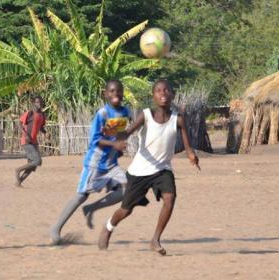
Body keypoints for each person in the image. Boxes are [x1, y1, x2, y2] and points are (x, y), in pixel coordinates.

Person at [98, 79, 200, 255]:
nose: (163, 94)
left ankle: (155, 239)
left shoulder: (178, 119)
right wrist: (114, 134)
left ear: (172, 95)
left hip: (163, 169)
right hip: (140, 170)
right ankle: (108, 227)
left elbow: (187, 143)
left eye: (167, 90)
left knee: (170, 198)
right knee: (125, 210)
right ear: (153, 96)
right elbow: (128, 132)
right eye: (159, 91)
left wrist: (191, 154)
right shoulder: (145, 115)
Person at [50, 80, 131, 245]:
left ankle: (92, 208)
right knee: (81, 195)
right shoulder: (102, 114)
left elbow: (120, 134)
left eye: (119, 91)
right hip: (95, 162)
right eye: (112, 91)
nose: (116, 94)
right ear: (106, 94)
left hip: (111, 164)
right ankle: (56, 229)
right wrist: (114, 144)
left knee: (126, 190)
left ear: (123, 93)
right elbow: (95, 139)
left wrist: (120, 147)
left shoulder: (125, 112)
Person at [15, 96, 46, 187]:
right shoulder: (29, 113)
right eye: (37, 102)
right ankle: (18, 170)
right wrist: (25, 135)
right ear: (33, 103)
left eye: (40, 102)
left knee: (33, 165)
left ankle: (19, 182)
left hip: (34, 142)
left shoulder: (42, 115)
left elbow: (41, 127)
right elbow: (19, 123)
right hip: (26, 141)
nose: (39, 104)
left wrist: (45, 132)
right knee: (37, 160)